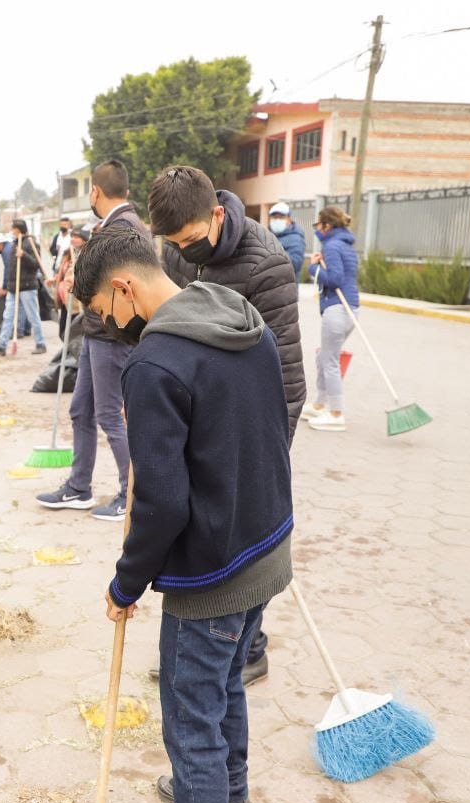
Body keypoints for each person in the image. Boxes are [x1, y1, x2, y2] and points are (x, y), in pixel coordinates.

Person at [78, 226, 293, 803]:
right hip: (270, 545)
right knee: (226, 685)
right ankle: (232, 798)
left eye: (102, 311)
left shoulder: (154, 364)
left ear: (124, 287)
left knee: (191, 724)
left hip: (215, 573)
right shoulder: (241, 317)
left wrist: (125, 584)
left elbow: (163, 504)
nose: (110, 325)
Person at [148, 165, 306, 688]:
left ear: (217, 215)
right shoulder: (174, 251)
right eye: (173, 243)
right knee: (203, 539)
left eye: (191, 240)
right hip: (199, 422)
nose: (182, 252)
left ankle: (249, 650)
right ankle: (211, 652)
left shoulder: (266, 266)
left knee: (248, 542)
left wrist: (261, 467)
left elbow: (288, 380)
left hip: (251, 434)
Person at [37, 159, 145, 523]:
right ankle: (79, 487)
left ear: (95, 192)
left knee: (110, 416)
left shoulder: (122, 229)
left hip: (111, 336)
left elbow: (119, 288)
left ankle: (131, 494)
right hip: (95, 332)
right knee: (80, 410)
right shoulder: (118, 224)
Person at [303, 205, 361, 433]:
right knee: (325, 357)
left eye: (318, 225)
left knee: (329, 361)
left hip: (337, 308)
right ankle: (320, 404)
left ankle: (336, 413)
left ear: (327, 225)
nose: (317, 229)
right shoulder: (345, 245)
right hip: (349, 307)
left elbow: (335, 279)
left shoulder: (333, 245)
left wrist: (313, 268)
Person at [0, 219, 47, 356]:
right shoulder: (14, 244)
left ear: (18, 229)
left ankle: (40, 343)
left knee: (32, 316)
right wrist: (7, 286)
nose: (11, 231)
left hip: (27, 286)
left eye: (12, 229)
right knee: (8, 316)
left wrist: (23, 255)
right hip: (14, 287)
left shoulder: (31, 243)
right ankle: (2, 345)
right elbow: (10, 269)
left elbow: (36, 264)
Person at [52, 226, 90, 340]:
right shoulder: (68, 253)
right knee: (63, 333)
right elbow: (63, 273)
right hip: (66, 300)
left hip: (77, 302)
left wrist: (78, 282)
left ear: (85, 239)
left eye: (77, 237)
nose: (73, 239)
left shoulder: (89, 255)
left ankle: (74, 356)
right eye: (72, 236)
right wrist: (55, 280)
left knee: (74, 334)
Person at [268, 202, 306, 281]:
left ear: (289, 219)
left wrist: (271, 256)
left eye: (281, 217)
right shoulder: (267, 235)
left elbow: (295, 264)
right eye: (274, 217)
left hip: (285, 288)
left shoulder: (296, 238)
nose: (277, 220)